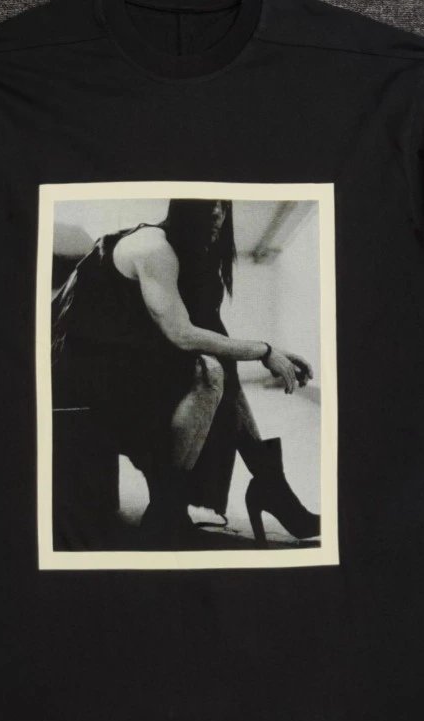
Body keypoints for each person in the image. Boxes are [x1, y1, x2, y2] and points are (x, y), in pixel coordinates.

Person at [51, 198, 320, 549]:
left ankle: (270, 487)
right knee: (209, 373)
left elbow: (210, 332)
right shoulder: (153, 249)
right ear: (184, 207)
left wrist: (274, 353)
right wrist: (264, 351)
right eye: (208, 205)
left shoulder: (191, 255)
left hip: (118, 367)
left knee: (215, 365)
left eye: (223, 206)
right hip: (78, 376)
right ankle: (167, 513)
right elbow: (181, 334)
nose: (218, 213)